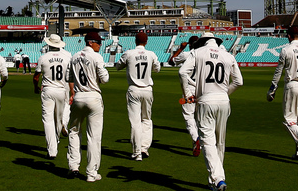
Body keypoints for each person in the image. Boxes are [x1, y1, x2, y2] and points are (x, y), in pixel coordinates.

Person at [179, 32, 242, 191]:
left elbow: (182, 72)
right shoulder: (228, 56)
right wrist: (224, 93)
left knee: (208, 142)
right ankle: (213, 181)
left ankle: (218, 179)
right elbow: (239, 82)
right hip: (224, 102)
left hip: (206, 101)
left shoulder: (197, 52)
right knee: (220, 142)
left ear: (203, 42)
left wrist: (187, 94)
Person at [66, 30, 110, 182]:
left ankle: (73, 166)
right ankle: (91, 173)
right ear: (90, 42)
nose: (100, 45)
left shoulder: (74, 56)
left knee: (73, 131)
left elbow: (69, 78)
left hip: (78, 97)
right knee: (94, 137)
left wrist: (73, 93)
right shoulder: (96, 56)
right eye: (98, 42)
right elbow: (105, 80)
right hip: (93, 97)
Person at [267, 26, 298, 162]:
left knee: (289, 120)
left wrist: (273, 89)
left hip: (292, 85)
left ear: (288, 36)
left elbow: (278, 71)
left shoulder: (286, 50)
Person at [115, 31, 161, 161]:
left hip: (134, 89)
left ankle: (136, 153)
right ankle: (144, 148)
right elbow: (157, 69)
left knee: (135, 122)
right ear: (146, 42)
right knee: (146, 119)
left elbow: (118, 66)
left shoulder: (129, 53)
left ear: (135, 41)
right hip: (147, 89)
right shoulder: (151, 54)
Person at [33, 33, 72, 159]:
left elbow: (36, 76)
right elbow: (70, 77)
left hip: (48, 90)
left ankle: (52, 150)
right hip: (61, 89)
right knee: (58, 120)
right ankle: (57, 141)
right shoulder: (67, 58)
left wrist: (35, 87)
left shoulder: (43, 57)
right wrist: (72, 91)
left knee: (48, 120)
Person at [169, 35, 202, 155]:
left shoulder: (186, 54)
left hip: (189, 90)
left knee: (189, 116)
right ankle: (203, 141)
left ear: (189, 45)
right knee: (200, 118)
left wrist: (180, 48)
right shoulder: (204, 55)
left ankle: (195, 139)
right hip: (202, 91)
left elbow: (171, 62)